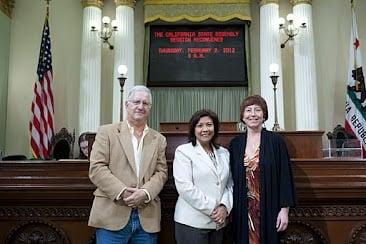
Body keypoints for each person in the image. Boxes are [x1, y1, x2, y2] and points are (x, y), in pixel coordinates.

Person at [88, 85, 168, 244]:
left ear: (150, 108)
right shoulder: (107, 132)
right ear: (127, 105)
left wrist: (145, 192)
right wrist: (123, 191)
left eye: (145, 103)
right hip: (112, 215)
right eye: (136, 102)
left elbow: (161, 172)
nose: (140, 106)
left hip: (147, 219)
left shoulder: (158, 139)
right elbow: (97, 168)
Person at [229, 95, 296, 244]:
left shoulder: (276, 141)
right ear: (242, 116)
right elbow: (229, 179)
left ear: (264, 115)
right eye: (248, 110)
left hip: (269, 207)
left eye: (257, 110)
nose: (253, 114)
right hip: (242, 209)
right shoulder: (235, 144)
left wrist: (284, 211)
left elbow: (284, 177)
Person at [173, 109, 233, 244]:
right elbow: (185, 187)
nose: (205, 129)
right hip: (191, 223)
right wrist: (214, 209)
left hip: (218, 224)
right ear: (193, 129)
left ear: (215, 128)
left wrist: (224, 207)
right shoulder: (184, 151)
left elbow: (229, 184)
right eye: (200, 125)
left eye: (209, 125)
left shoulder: (224, 153)